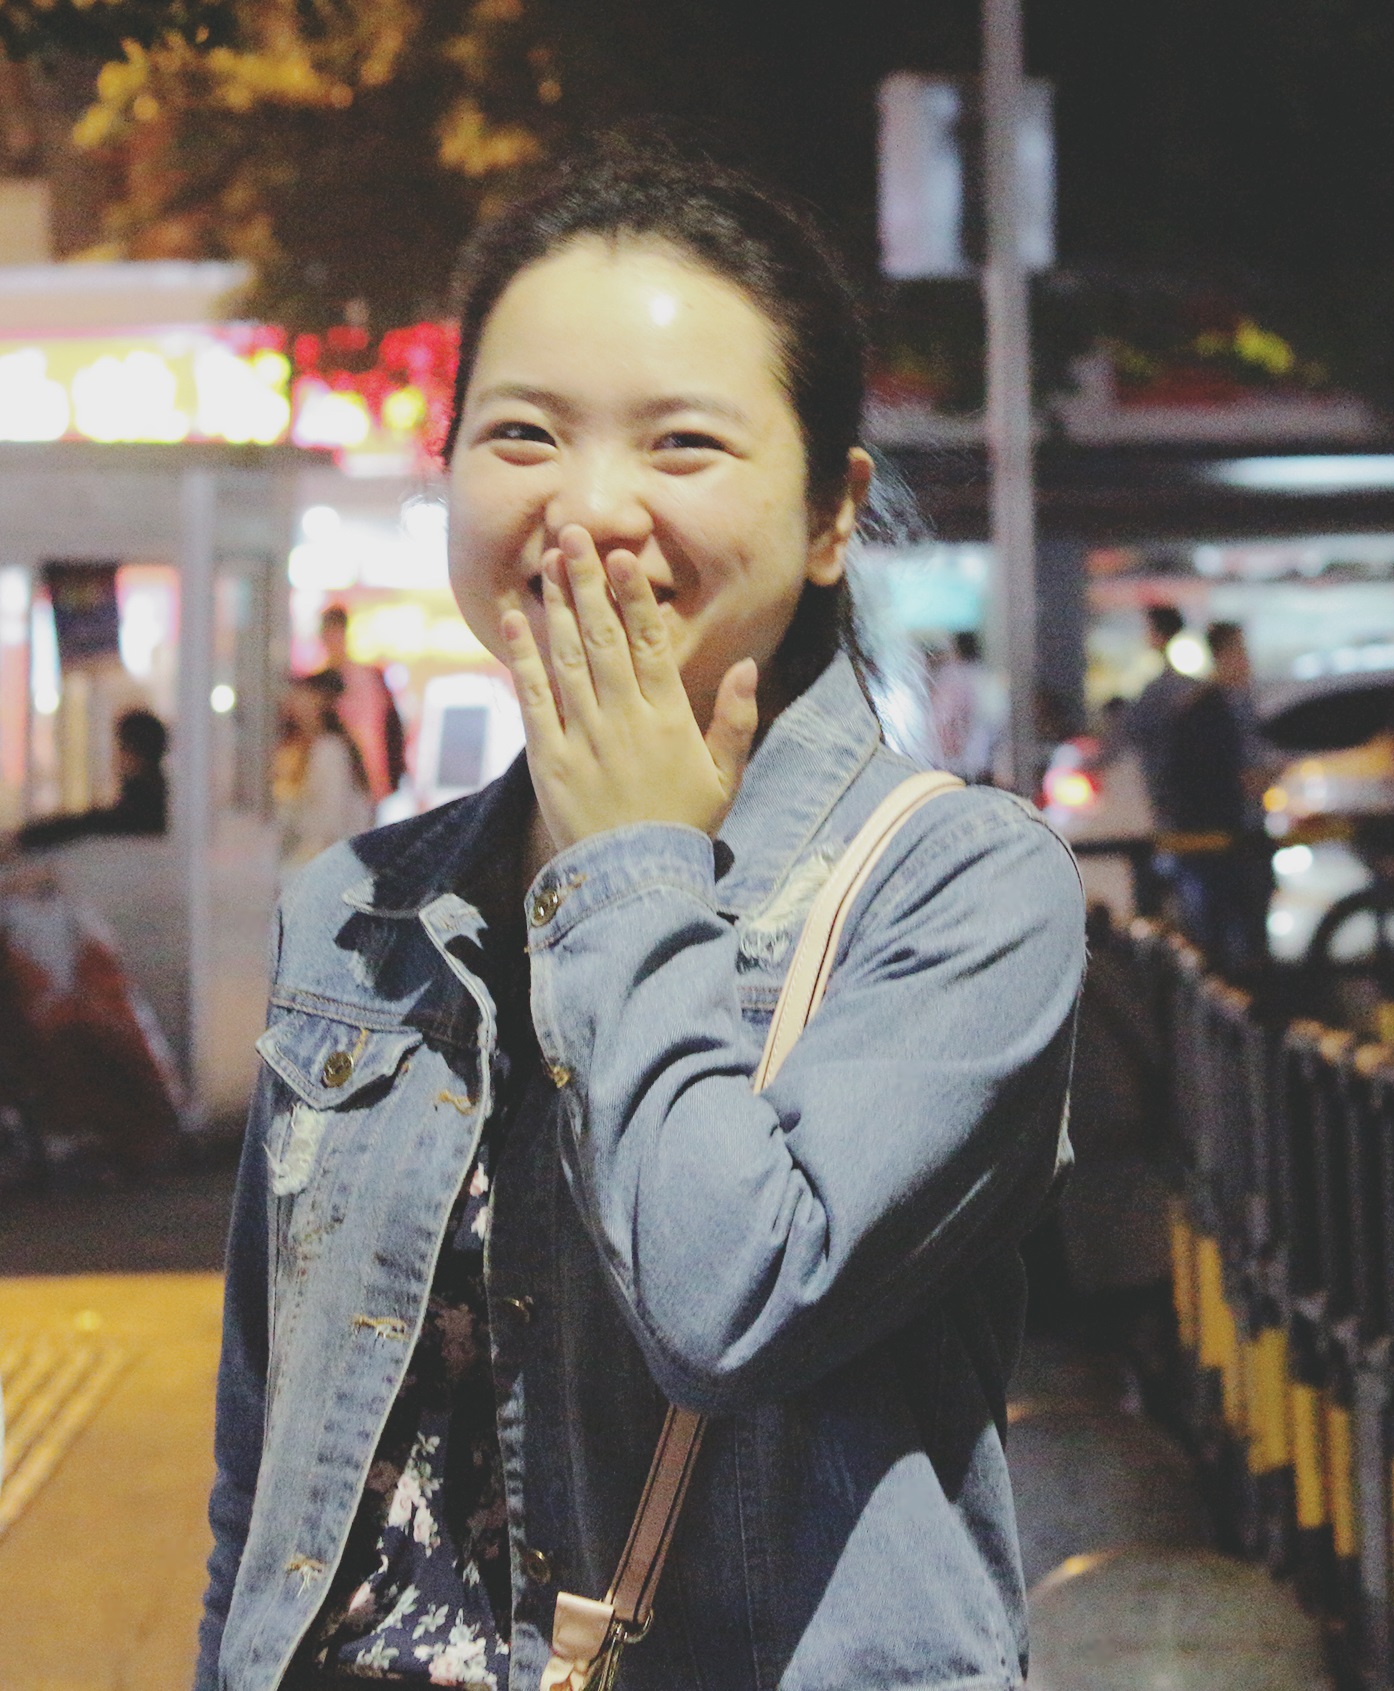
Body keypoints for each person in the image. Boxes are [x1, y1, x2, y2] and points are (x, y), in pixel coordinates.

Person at [197, 128, 1084, 1691]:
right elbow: (263, 1483)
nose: (588, 508)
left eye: (681, 444)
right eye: (522, 434)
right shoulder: (356, 908)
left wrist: (628, 865)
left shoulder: (964, 890)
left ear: (831, 515)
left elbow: (725, 1302)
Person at [1158, 622, 1273, 969]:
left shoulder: (1241, 706)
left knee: (1250, 933)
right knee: (1222, 938)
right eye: (1239, 652)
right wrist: (1243, 783)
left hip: (1246, 835)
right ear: (1222, 657)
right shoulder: (1202, 713)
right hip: (1220, 841)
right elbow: (1198, 778)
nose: (1246, 661)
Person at [17, 708, 168, 848]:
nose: (115, 757)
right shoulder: (157, 796)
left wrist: (28, 838)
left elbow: (96, 823)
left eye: (120, 747)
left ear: (133, 752)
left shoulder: (144, 803)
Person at [272, 670, 374, 873]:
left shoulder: (329, 750)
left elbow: (330, 823)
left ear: (320, 701)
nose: (293, 703)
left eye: (302, 696)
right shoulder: (318, 747)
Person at [315, 602, 408, 804]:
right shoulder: (320, 684)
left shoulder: (364, 678)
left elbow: (376, 731)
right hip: (342, 777)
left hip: (364, 778)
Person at [1119, 602, 1198, 828]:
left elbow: (1131, 730)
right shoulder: (1187, 685)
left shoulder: (1160, 689)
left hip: (1163, 779)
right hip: (1183, 781)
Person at [927, 628, 1004, 782]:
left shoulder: (950, 677)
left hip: (951, 767)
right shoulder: (987, 678)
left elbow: (943, 719)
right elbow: (997, 721)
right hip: (981, 766)